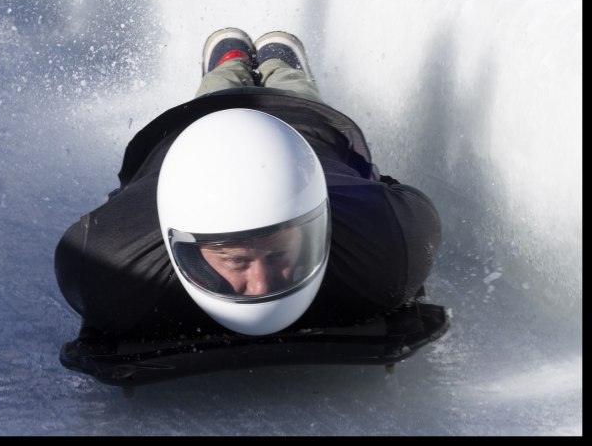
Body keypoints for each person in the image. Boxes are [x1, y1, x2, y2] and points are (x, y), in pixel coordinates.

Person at [55, 28, 442, 339]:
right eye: (237, 261)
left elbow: (396, 201)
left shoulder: (390, 244)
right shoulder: (107, 269)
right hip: (192, 129)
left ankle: (274, 63)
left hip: (304, 122)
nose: (260, 285)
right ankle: (233, 63)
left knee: (291, 91)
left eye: (278, 254)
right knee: (220, 91)